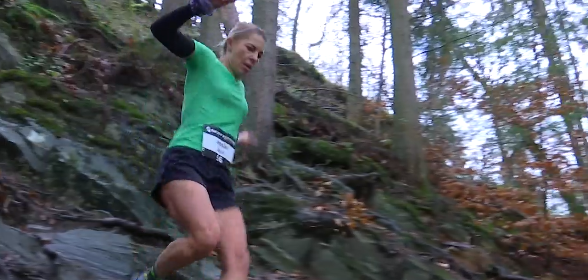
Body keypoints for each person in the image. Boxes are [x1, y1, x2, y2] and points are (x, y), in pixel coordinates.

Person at [132, 0, 266, 279]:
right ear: (230, 42)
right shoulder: (204, 59)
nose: (254, 57)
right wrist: (197, 7)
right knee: (205, 239)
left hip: (219, 173)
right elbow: (161, 30)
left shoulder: (240, 90)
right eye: (250, 48)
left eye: (260, 54)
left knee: (239, 261)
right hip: (187, 160)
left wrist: (237, 138)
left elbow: (215, 122)